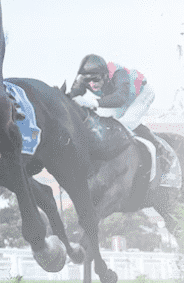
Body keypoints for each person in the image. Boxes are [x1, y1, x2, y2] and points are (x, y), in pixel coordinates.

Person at [69, 54, 176, 186]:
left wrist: (93, 102)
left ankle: (162, 151)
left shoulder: (119, 74)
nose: (92, 84)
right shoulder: (84, 79)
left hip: (141, 94)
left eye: (96, 79)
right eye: (88, 81)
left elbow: (121, 98)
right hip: (122, 99)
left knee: (127, 123)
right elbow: (71, 98)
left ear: (104, 75)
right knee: (105, 123)